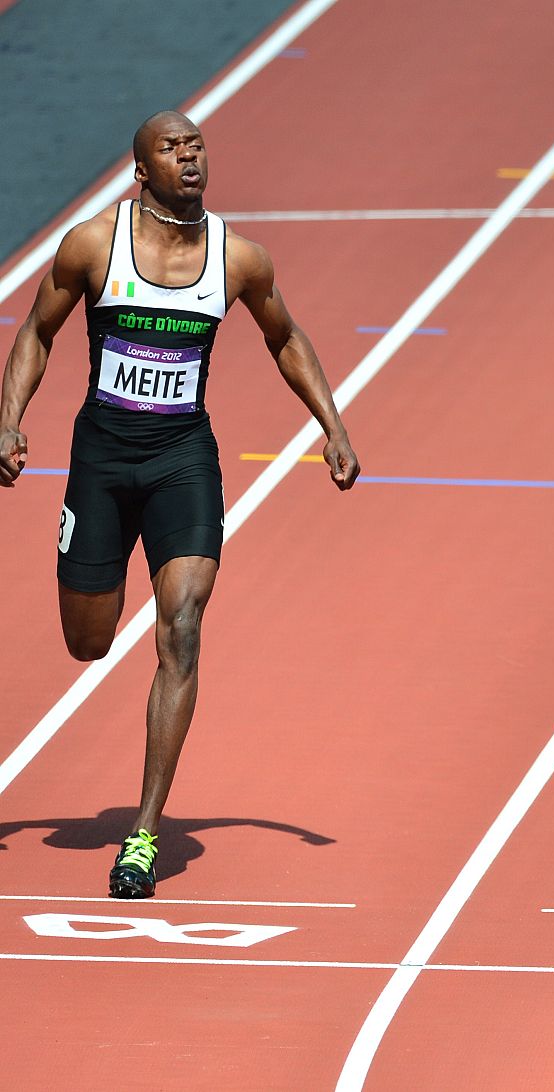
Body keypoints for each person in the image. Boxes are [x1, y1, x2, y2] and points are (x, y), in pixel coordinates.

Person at [0, 110, 359, 897]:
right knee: (87, 644)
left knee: (184, 625)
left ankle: (142, 834)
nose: (188, 156)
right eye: (171, 148)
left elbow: (285, 337)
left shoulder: (239, 259)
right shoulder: (95, 245)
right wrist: (9, 418)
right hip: (101, 459)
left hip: (180, 460)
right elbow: (35, 332)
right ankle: (95, 583)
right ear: (142, 168)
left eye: (196, 144)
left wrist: (331, 425)